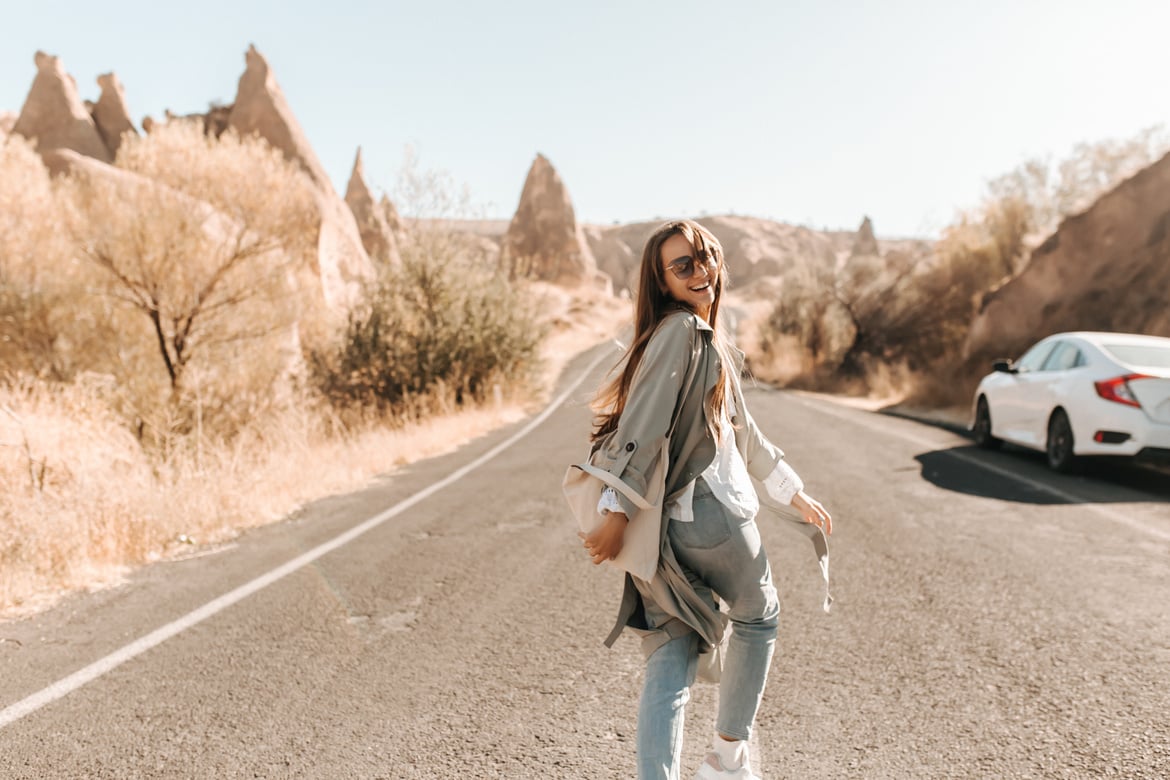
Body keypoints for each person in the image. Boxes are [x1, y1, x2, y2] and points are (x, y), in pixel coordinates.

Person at [579, 219, 833, 780]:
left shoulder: (678, 334)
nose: (701, 272)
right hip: (713, 514)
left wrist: (794, 492)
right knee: (759, 616)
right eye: (683, 266)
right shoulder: (685, 332)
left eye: (706, 257)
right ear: (662, 281)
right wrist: (614, 510)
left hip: (662, 532)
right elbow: (643, 428)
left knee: (672, 650)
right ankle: (727, 759)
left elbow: (742, 431)